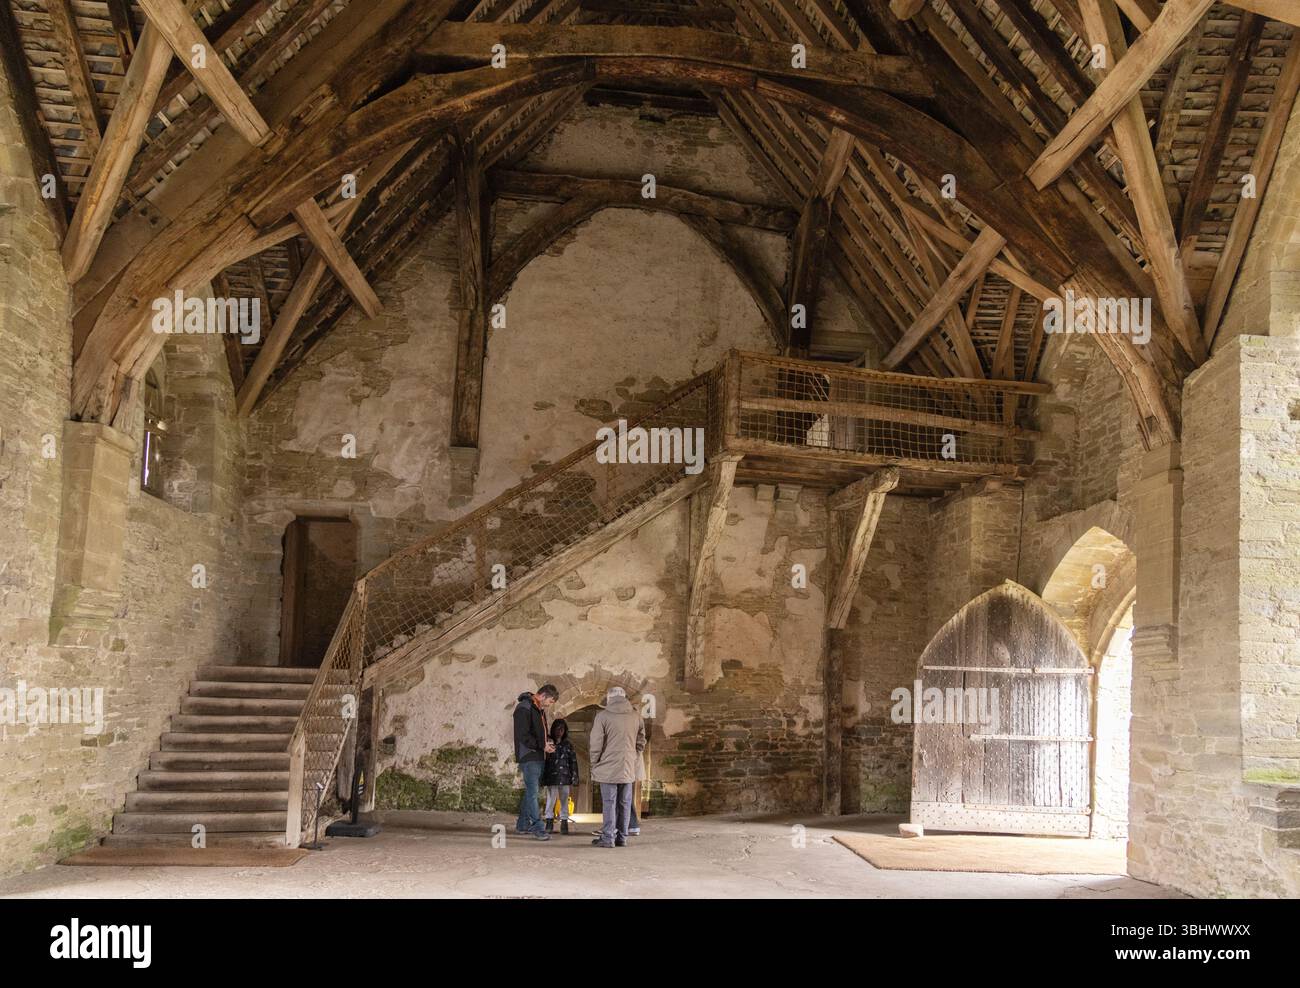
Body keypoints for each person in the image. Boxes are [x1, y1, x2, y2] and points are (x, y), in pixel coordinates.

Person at [588, 685, 645, 848]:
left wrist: (594, 763)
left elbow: (596, 744)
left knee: (609, 802)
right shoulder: (636, 716)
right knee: (625, 802)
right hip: (628, 765)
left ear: (609, 698)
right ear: (624, 697)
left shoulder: (602, 716)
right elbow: (641, 740)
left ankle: (608, 838)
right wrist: (634, 755)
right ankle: (622, 838)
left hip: (608, 766)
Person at [513, 684, 558, 841]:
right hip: (529, 756)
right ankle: (538, 827)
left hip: (538, 755)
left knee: (531, 791)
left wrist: (548, 742)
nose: (550, 705)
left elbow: (540, 734)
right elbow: (523, 736)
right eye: (551, 701)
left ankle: (522, 825)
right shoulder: (523, 708)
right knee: (533, 793)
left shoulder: (539, 709)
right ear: (543, 695)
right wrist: (542, 745)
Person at [542, 718, 579, 835]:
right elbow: (544, 760)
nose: (559, 731)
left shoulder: (567, 744)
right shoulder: (548, 742)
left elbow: (573, 761)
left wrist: (574, 776)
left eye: (562, 729)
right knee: (551, 799)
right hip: (551, 775)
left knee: (564, 799)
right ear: (553, 729)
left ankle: (564, 822)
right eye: (557, 729)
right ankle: (549, 821)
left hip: (565, 776)